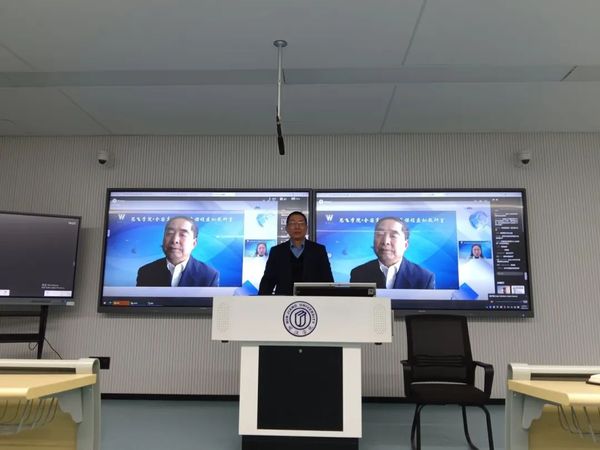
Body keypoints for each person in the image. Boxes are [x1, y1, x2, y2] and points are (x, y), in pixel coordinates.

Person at [258, 211, 333, 295]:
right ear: (287, 228)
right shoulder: (277, 251)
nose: (297, 227)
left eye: (301, 223)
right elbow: (267, 282)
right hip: (283, 301)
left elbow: (328, 281)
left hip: (311, 301)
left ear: (306, 228)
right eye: (292, 223)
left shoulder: (318, 250)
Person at [350, 217, 434, 289]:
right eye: (380, 234)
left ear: (405, 245)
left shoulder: (424, 278)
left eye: (393, 236)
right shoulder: (358, 274)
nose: (385, 241)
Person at [136, 216, 219, 287]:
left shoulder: (209, 276)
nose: (174, 240)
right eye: (169, 233)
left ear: (193, 243)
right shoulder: (145, 272)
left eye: (183, 235)